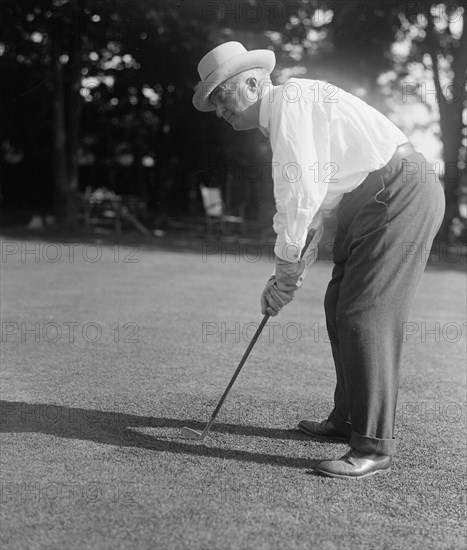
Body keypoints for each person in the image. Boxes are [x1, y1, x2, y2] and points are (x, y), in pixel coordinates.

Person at [192, 41, 445, 479]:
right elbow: (316, 210)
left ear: (253, 83)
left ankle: (373, 446)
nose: (219, 110)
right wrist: (290, 274)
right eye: (213, 101)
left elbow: (300, 195)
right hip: (365, 200)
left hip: (398, 190)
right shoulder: (286, 117)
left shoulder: (290, 102)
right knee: (338, 306)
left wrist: (285, 269)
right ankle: (346, 419)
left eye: (221, 96)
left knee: (365, 315)